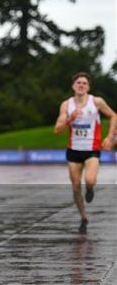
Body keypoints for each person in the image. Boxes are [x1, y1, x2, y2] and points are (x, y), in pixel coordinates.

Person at [53, 72, 115, 234]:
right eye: (78, 82)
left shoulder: (96, 102)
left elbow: (113, 115)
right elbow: (57, 130)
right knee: (75, 188)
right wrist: (69, 119)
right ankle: (83, 218)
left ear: (88, 87)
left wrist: (110, 137)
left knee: (89, 179)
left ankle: (90, 188)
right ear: (73, 86)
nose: (81, 85)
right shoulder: (66, 105)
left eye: (84, 83)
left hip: (91, 149)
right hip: (73, 150)